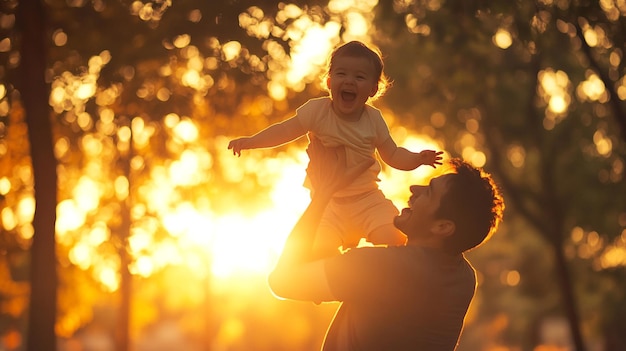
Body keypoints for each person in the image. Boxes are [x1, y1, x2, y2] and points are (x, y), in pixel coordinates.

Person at [268, 139, 505, 351]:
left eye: (429, 192)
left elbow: (282, 281)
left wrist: (323, 194)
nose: (415, 189)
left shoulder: (382, 266)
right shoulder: (463, 279)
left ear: (442, 227)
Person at [228, 41, 443, 258]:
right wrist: (251, 141)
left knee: (394, 239)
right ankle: (340, 281)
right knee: (318, 251)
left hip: (367, 199)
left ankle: (385, 278)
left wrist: (417, 158)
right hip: (327, 204)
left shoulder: (373, 120)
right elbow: (284, 131)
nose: (349, 81)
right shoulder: (317, 111)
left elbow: (393, 154)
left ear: (372, 89)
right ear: (330, 81)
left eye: (359, 77)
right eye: (341, 74)